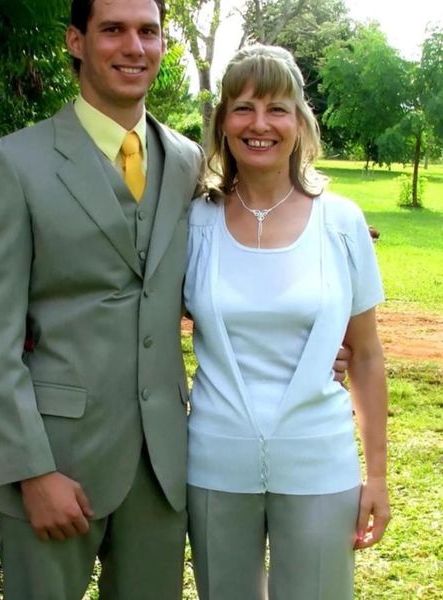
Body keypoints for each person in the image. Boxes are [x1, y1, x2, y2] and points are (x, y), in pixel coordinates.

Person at [0, 0, 204, 598]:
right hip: (56, 460)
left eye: (148, 31)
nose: (134, 47)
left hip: (163, 466)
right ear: (76, 40)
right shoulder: (17, 162)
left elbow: (202, 286)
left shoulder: (187, 161)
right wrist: (31, 471)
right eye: (113, 30)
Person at [184, 44, 390, 600]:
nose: (260, 124)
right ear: (223, 122)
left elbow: (366, 355)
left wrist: (376, 476)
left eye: (277, 108)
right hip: (215, 461)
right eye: (244, 108)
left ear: (300, 121)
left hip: (320, 460)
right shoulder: (195, 221)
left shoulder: (341, 222)